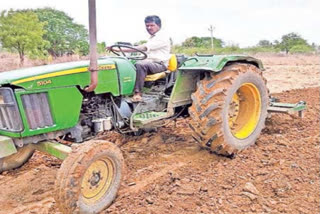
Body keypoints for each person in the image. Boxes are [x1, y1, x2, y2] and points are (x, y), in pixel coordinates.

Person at [108, 15, 171, 102]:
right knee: (128, 64)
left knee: (140, 65)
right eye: (147, 25)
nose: (149, 28)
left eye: (152, 25)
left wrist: (119, 49)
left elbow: (143, 48)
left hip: (160, 65)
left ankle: (137, 94)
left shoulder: (162, 37)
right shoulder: (153, 38)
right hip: (151, 63)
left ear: (158, 25)